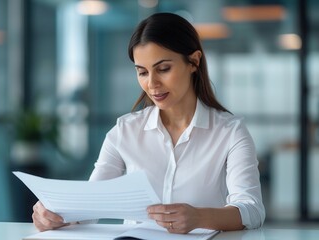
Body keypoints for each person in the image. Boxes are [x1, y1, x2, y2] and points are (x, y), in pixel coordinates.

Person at [32, 12, 265, 234]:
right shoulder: (124, 131)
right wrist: (53, 216)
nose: (152, 84)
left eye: (163, 69)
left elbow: (252, 210)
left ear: (193, 62)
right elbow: (90, 207)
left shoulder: (230, 132)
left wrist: (198, 217)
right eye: (142, 72)